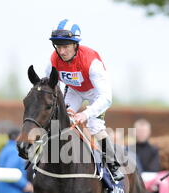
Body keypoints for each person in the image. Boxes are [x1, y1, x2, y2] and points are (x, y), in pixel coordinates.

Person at [45, 19, 123, 181]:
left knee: (94, 125)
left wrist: (85, 114)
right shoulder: (53, 60)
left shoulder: (92, 62)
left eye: (66, 46)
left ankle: (112, 164)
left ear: (76, 45)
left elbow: (107, 98)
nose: (62, 52)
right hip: (74, 91)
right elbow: (49, 87)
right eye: (58, 47)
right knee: (57, 120)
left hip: (96, 93)